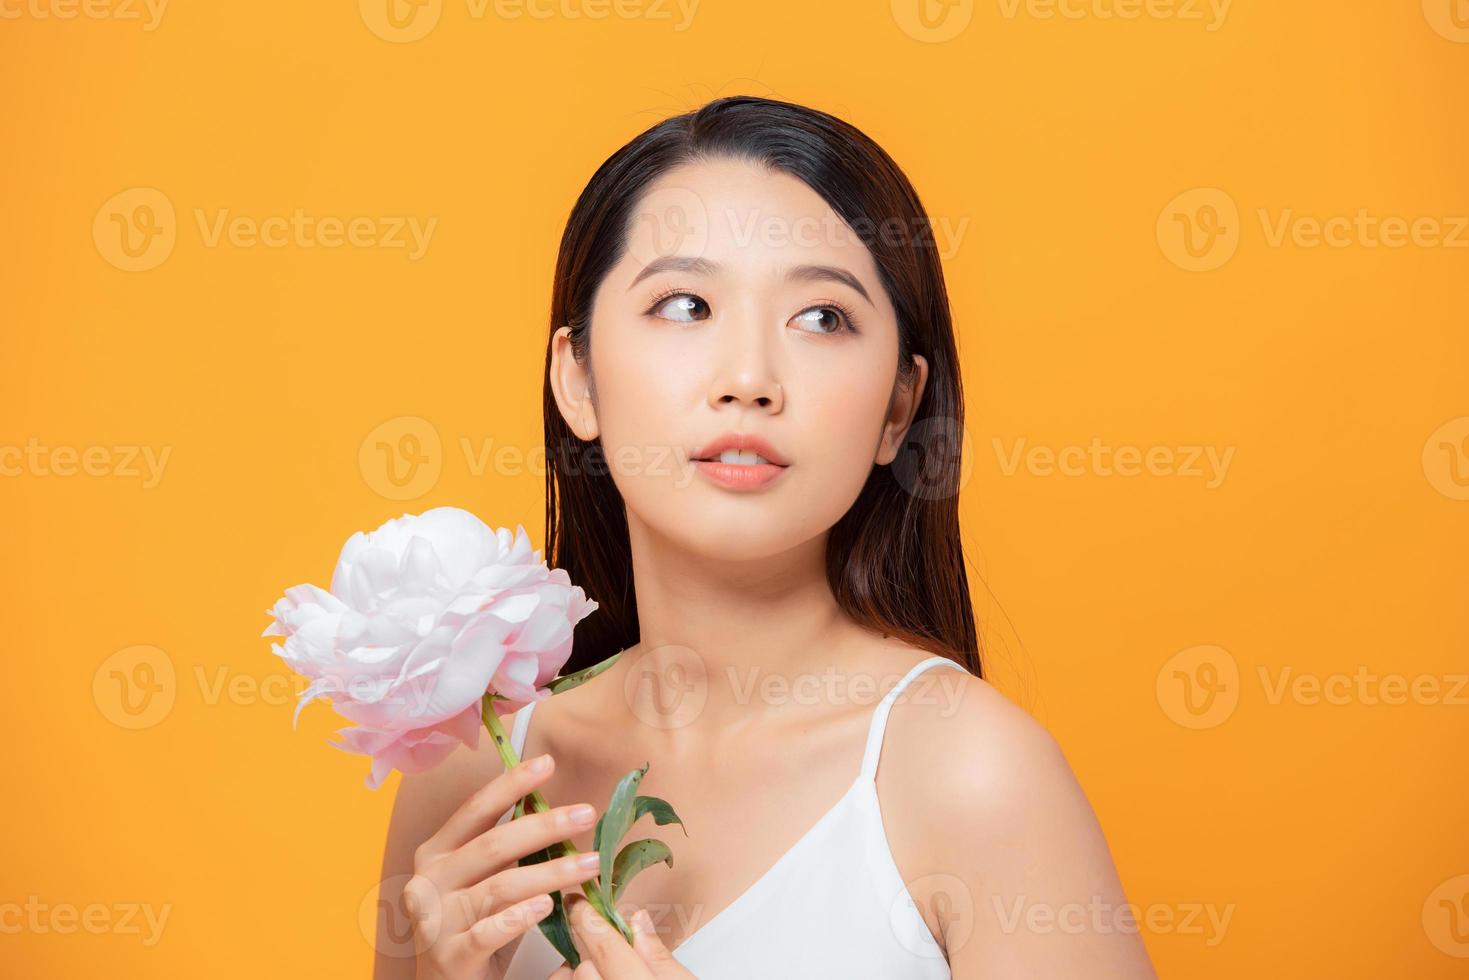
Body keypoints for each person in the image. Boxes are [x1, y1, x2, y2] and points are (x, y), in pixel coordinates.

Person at [375, 95, 1157, 979]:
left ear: (898, 408)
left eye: (821, 318)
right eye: (683, 305)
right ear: (577, 376)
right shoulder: (481, 772)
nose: (748, 379)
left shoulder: (972, 775)